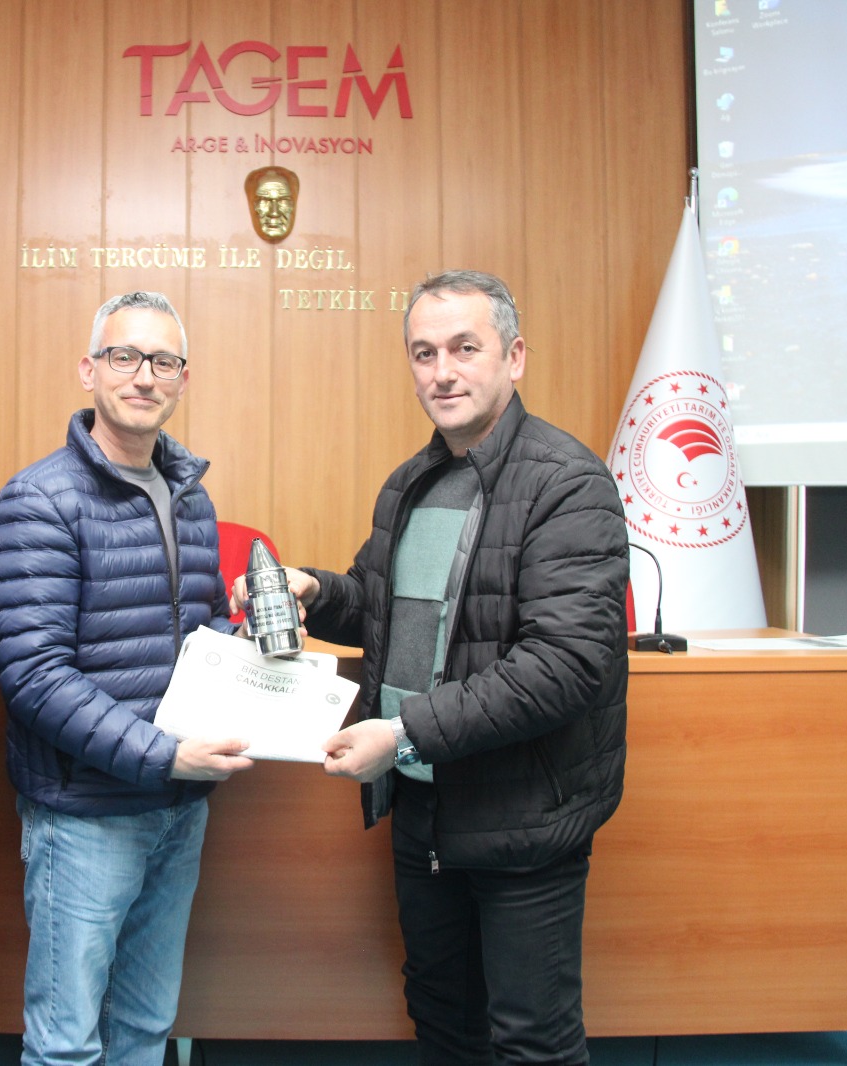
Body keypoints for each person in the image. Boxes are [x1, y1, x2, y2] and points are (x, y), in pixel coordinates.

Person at [234, 270, 628, 1065]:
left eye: (464, 348)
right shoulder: (409, 484)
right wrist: (317, 590)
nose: (442, 372)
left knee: (533, 1042)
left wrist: (402, 733)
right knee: (443, 1023)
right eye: (424, 353)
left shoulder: (568, 483)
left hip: (522, 819)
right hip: (423, 812)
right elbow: (382, 609)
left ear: (514, 357)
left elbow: (563, 665)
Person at [0, 291, 253, 1066]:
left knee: (144, 1026)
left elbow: (199, 631)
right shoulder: (37, 501)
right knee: (66, 1042)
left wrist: (254, 650)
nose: (144, 376)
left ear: (183, 378)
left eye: (163, 361)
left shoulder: (191, 496)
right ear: (89, 369)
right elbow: (34, 676)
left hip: (178, 810)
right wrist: (164, 756)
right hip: (86, 816)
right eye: (124, 356)